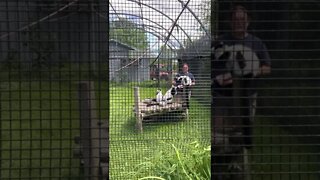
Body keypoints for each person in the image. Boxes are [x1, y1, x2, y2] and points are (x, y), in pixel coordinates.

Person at [212, 4, 271, 180]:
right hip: (223, 98)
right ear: (230, 22)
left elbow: (267, 67)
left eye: (243, 20)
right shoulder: (220, 42)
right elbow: (213, 67)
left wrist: (252, 71)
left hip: (247, 97)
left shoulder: (256, 43)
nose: (240, 23)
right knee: (219, 134)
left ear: (248, 21)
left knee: (241, 132)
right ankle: (218, 168)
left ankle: (238, 168)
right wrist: (220, 78)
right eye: (236, 20)